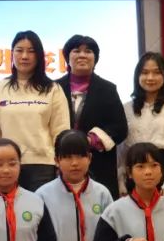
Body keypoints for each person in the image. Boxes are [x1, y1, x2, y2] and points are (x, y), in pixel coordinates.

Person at [0, 31, 70, 191]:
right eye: (19, 50)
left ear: (39, 55)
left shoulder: (53, 89)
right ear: (12, 54)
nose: (24, 56)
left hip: (42, 165)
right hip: (6, 165)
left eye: (31, 51)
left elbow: (61, 131)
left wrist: (61, 163)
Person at [92, 143, 164, 241]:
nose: (148, 172)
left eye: (154, 165)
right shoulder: (113, 212)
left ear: (161, 171)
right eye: (140, 166)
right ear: (129, 173)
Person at [55, 34, 128, 197]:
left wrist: (89, 140)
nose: (82, 55)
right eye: (76, 51)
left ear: (95, 58)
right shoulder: (54, 88)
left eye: (88, 51)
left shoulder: (108, 89)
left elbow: (120, 128)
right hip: (61, 165)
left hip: (99, 166)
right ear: (67, 57)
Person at [119, 52, 164, 199]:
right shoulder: (126, 108)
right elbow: (121, 151)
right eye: (145, 72)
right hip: (134, 176)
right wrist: (121, 181)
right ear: (137, 76)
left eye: (156, 72)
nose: (150, 78)